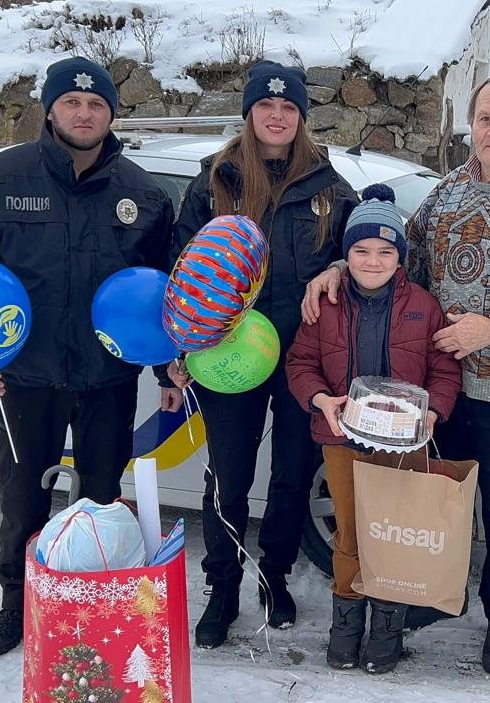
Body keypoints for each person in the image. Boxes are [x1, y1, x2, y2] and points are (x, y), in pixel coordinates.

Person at [302, 72, 490, 675]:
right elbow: (392, 258)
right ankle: (429, 595)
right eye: (485, 118)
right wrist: (338, 268)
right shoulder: (447, 193)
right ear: (470, 125)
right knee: (431, 504)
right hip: (437, 391)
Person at [0, 56, 181, 656]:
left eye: (97, 104)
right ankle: (15, 609)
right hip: (25, 380)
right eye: (72, 101)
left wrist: (165, 368)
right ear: (50, 110)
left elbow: (162, 297)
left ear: (112, 115)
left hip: (107, 380)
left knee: (101, 504)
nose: (84, 113)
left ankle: (89, 611)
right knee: (23, 503)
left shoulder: (144, 194)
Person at [164, 60, 359, 649]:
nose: (277, 116)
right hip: (227, 354)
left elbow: (361, 255)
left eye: (289, 107)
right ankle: (222, 588)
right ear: (249, 113)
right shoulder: (214, 183)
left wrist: (337, 265)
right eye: (266, 106)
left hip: (303, 357)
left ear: (301, 117)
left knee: (291, 475)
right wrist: (176, 351)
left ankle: (274, 577)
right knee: (228, 474)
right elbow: (178, 271)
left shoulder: (329, 187)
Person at [285, 184, 462, 673]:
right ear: (346, 254)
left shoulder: (424, 305)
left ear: (400, 257)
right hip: (342, 439)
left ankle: (387, 629)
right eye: (361, 250)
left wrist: (432, 412)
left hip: (404, 443)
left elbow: (445, 369)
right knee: (350, 534)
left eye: (385, 251)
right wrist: (321, 400)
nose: (373, 261)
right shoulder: (324, 302)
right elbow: (300, 362)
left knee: (394, 535)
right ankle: (345, 628)